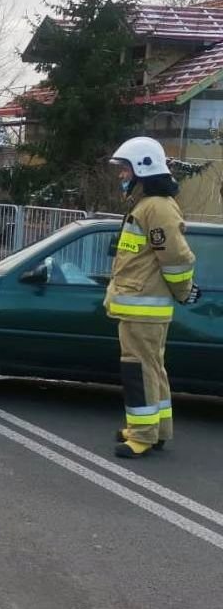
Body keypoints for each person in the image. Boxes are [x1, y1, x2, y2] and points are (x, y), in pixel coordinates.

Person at [105, 136, 201, 459]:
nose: (122, 176)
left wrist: (185, 291)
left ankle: (142, 436)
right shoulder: (148, 205)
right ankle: (157, 430)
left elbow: (177, 258)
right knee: (152, 369)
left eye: (125, 169)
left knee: (139, 371)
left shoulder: (156, 208)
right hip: (139, 307)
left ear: (143, 169)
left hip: (143, 309)